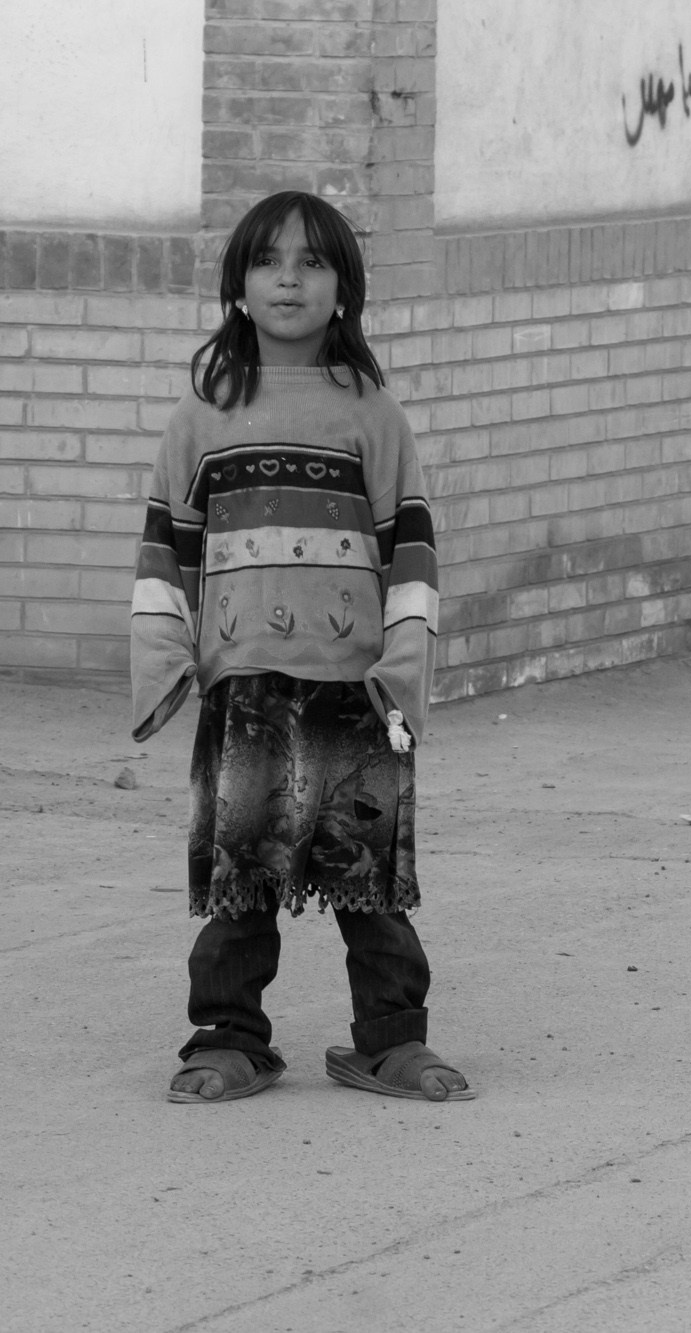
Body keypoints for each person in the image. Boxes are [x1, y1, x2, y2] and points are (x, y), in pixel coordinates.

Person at [130, 190, 471, 1104]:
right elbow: (168, 549)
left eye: (313, 261)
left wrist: (404, 668)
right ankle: (229, 1038)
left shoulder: (374, 415)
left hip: (356, 688)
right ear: (238, 286)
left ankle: (392, 1041)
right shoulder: (201, 417)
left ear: (344, 289)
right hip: (244, 687)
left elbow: (414, 552)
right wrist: (165, 659)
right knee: (241, 879)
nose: (290, 277)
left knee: (372, 886)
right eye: (269, 260)